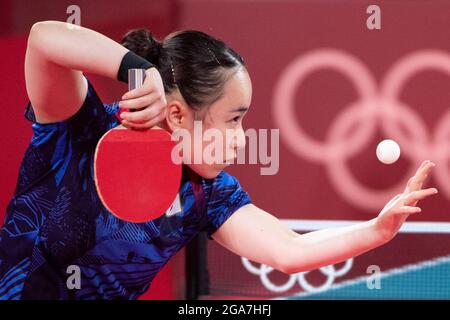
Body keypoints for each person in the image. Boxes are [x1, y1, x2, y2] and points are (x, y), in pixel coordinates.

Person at [0, 20, 438, 300]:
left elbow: (288, 250)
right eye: (232, 120)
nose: (242, 139)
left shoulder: (206, 194)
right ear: (177, 115)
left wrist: (376, 231)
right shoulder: (83, 131)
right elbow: (43, 40)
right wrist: (140, 71)